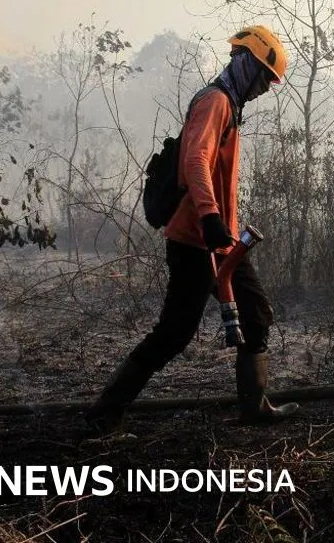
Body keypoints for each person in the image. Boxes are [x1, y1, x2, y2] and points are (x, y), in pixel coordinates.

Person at [85, 25, 299, 436]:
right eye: (266, 79)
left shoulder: (230, 105)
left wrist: (220, 227)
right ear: (248, 65)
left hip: (221, 243)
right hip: (195, 240)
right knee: (173, 333)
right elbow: (196, 162)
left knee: (256, 313)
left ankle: (254, 407)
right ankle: (104, 413)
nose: (267, 89)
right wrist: (209, 216)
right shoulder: (215, 101)